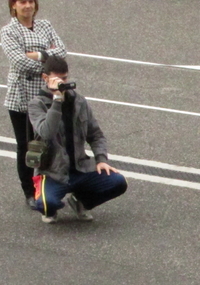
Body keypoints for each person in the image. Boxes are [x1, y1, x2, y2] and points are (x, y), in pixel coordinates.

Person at [27, 55, 127, 223]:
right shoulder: (36, 104)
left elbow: (96, 134)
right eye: (58, 79)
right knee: (45, 203)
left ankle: (80, 202)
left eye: (65, 78)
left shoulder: (79, 101)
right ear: (45, 78)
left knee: (118, 182)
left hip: (80, 169)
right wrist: (57, 100)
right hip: (52, 173)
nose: (63, 82)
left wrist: (101, 159)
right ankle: (50, 209)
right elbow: (46, 132)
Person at [0, 0, 66, 208]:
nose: (27, 6)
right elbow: (19, 61)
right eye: (22, 2)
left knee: (53, 142)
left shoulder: (45, 25)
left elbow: (62, 52)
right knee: (28, 146)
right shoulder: (9, 31)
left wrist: (38, 55)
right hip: (22, 97)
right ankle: (29, 190)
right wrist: (48, 62)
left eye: (30, 2)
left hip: (47, 94)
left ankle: (52, 185)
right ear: (14, 6)